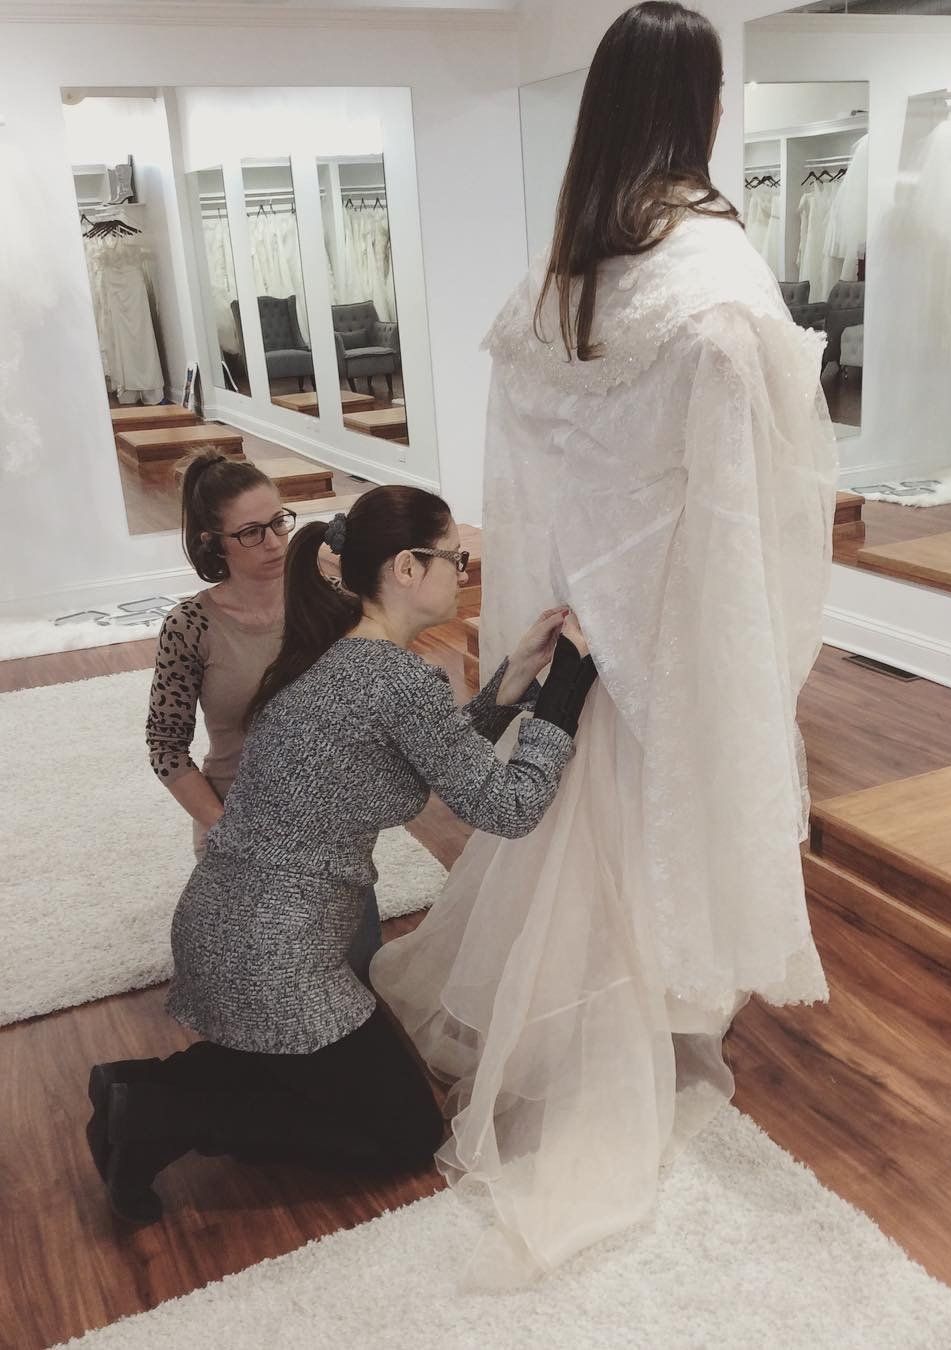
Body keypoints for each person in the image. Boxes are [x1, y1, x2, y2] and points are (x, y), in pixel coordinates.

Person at [370, 0, 838, 1287]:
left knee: (586, 822)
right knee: (652, 833)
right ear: (707, 104)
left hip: (586, 616)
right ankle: (618, 1045)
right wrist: (730, 627)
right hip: (684, 613)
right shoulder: (714, 274)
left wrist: (556, 601)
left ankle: (566, 1018)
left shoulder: (563, 268)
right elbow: (759, 482)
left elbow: (533, 461)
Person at [86, 486, 596, 1225]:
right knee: (405, 1134)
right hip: (275, 954)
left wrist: (514, 680)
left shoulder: (342, 659)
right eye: (454, 556)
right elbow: (507, 807)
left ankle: (135, 1088)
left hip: (228, 927)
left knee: (305, 1073)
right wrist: (563, 701)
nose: (463, 569)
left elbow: (433, 758)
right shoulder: (395, 678)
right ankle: (162, 1118)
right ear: (408, 567)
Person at [146, 450, 381, 976]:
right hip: (239, 820)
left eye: (279, 522)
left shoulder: (333, 602)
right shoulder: (190, 627)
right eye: (251, 532)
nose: (275, 542)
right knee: (270, 994)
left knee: (358, 981)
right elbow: (165, 747)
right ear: (213, 542)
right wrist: (224, 826)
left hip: (329, 823)